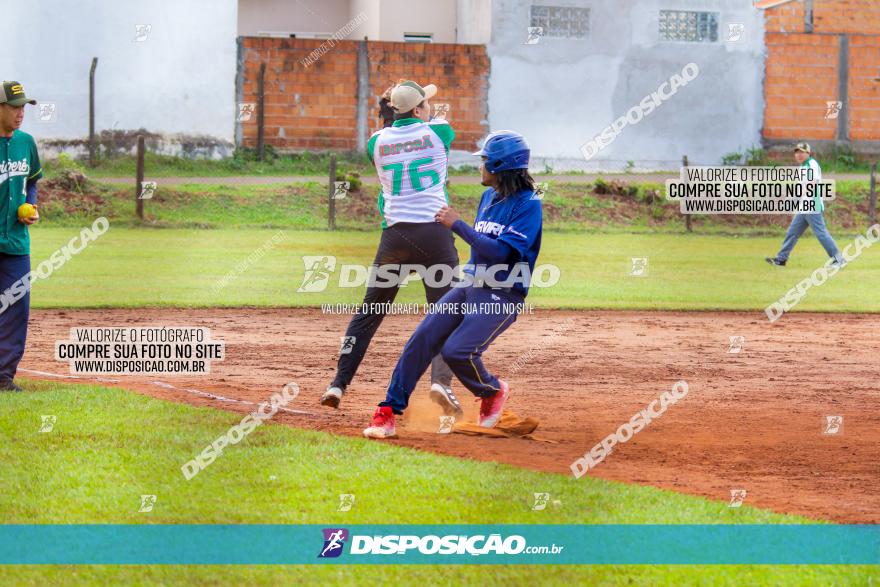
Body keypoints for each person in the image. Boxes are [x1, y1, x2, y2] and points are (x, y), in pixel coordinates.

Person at [363, 130, 542, 439]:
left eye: (485, 161)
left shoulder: (528, 205)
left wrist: (457, 225)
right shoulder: (489, 196)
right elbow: (483, 245)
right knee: (421, 339)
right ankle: (388, 412)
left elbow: (500, 252)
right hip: (470, 285)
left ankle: (492, 391)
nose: (480, 166)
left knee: (457, 351)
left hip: (502, 294)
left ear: (499, 166)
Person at [320, 80, 463, 416]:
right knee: (445, 315)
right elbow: (435, 127)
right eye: (425, 103)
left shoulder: (376, 142)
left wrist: (393, 104)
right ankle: (441, 383)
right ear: (417, 110)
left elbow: (390, 128)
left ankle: (338, 383)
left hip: (395, 237)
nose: (430, 107)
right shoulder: (439, 132)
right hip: (435, 233)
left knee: (369, 314)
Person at [0, 81, 42, 392]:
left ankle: (3, 377)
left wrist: (32, 204)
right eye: (15, 106)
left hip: (15, 243)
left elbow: (33, 181)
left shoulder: (26, 142)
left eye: (23, 107)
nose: (21, 113)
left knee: (16, 309)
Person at [766, 143, 842, 267]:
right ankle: (781, 259)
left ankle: (838, 259)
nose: (799, 155)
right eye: (797, 152)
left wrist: (794, 198)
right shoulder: (803, 167)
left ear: (808, 153)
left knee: (821, 233)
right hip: (804, 207)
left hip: (812, 205)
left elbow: (811, 184)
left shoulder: (812, 164)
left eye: (802, 152)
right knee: (792, 232)